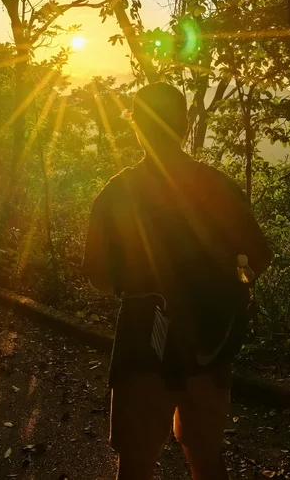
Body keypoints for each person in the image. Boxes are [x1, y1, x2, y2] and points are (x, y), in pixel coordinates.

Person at [82, 82, 272, 480]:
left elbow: (96, 273)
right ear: (185, 125)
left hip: (142, 347)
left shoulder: (117, 193)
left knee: (135, 465)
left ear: (136, 126)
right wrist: (229, 284)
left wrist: (136, 285)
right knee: (207, 458)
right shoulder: (219, 186)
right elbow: (259, 256)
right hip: (210, 345)